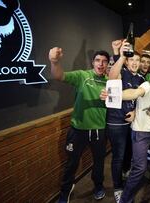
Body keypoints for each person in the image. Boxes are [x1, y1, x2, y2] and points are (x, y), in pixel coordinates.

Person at [102, 61, 150, 203]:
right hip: (141, 133)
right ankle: (125, 200)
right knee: (140, 168)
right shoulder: (147, 85)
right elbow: (134, 93)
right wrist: (115, 95)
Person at [49, 47, 110, 202]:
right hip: (78, 130)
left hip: (99, 130)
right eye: (98, 60)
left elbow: (117, 104)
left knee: (98, 163)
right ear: (93, 62)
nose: (101, 64)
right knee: (71, 164)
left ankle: (98, 186)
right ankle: (65, 191)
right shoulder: (83, 76)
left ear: (108, 64)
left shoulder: (111, 82)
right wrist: (54, 61)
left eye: (104, 61)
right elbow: (59, 75)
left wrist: (110, 98)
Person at [107, 40, 145, 202]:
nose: (135, 63)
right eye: (132, 60)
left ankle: (126, 172)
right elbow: (112, 76)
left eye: (138, 61)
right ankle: (117, 188)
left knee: (129, 154)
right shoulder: (122, 72)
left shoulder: (142, 78)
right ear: (127, 61)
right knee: (118, 156)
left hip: (133, 123)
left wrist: (135, 112)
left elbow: (142, 101)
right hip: (116, 122)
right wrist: (121, 55)